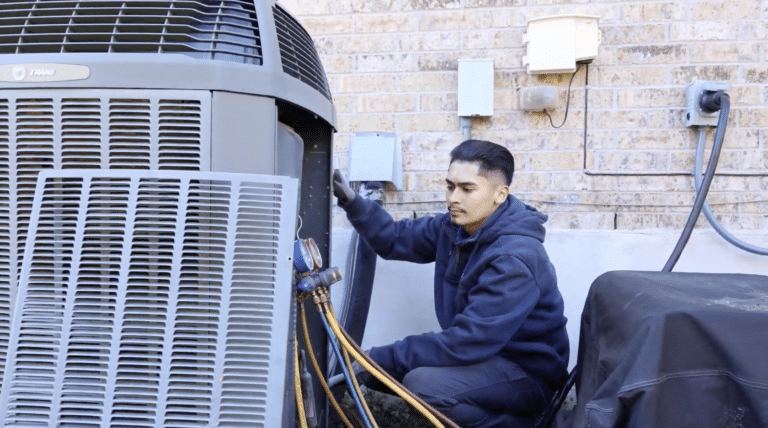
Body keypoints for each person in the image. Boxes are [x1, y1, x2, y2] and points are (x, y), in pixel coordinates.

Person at [333, 139, 569, 428]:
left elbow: (467, 340)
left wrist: (377, 357)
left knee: (424, 385)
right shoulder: (454, 227)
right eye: (450, 186)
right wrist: (352, 202)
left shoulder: (515, 257)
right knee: (387, 374)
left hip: (527, 374)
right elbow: (394, 238)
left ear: (500, 194)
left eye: (467, 189)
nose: (453, 198)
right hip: (484, 358)